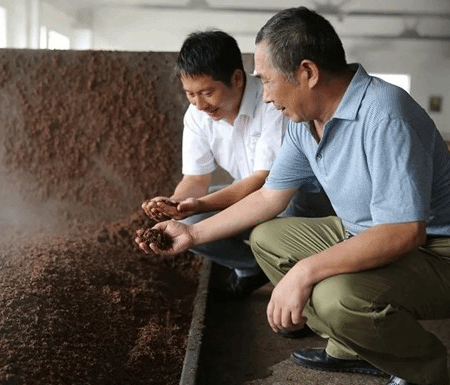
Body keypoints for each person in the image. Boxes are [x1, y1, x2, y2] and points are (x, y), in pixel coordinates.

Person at [136, 7, 450, 385]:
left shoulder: (384, 115)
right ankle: (354, 343)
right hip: (363, 232)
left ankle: (426, 371)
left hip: (435, 248)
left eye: (266, 81)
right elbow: (269, 197)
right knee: (267, 238)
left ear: (308, 73)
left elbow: (404, 232)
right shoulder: (306, 123)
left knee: (337, 296)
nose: (265, 96)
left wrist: (305, 272)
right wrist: (192, 233)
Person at [141, 29, 333, 303]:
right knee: (189, 221)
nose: (199, 104)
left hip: (295, 201)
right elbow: (195, 179)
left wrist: (200, 204)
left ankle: (299, 291)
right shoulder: (196, 116)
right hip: (254, 199)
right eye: (190, 94)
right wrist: (175, 205)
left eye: (207, 92)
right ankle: (253, 267)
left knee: (279, 218)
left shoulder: (272, 104)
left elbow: (263, 181)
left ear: (237, 78)